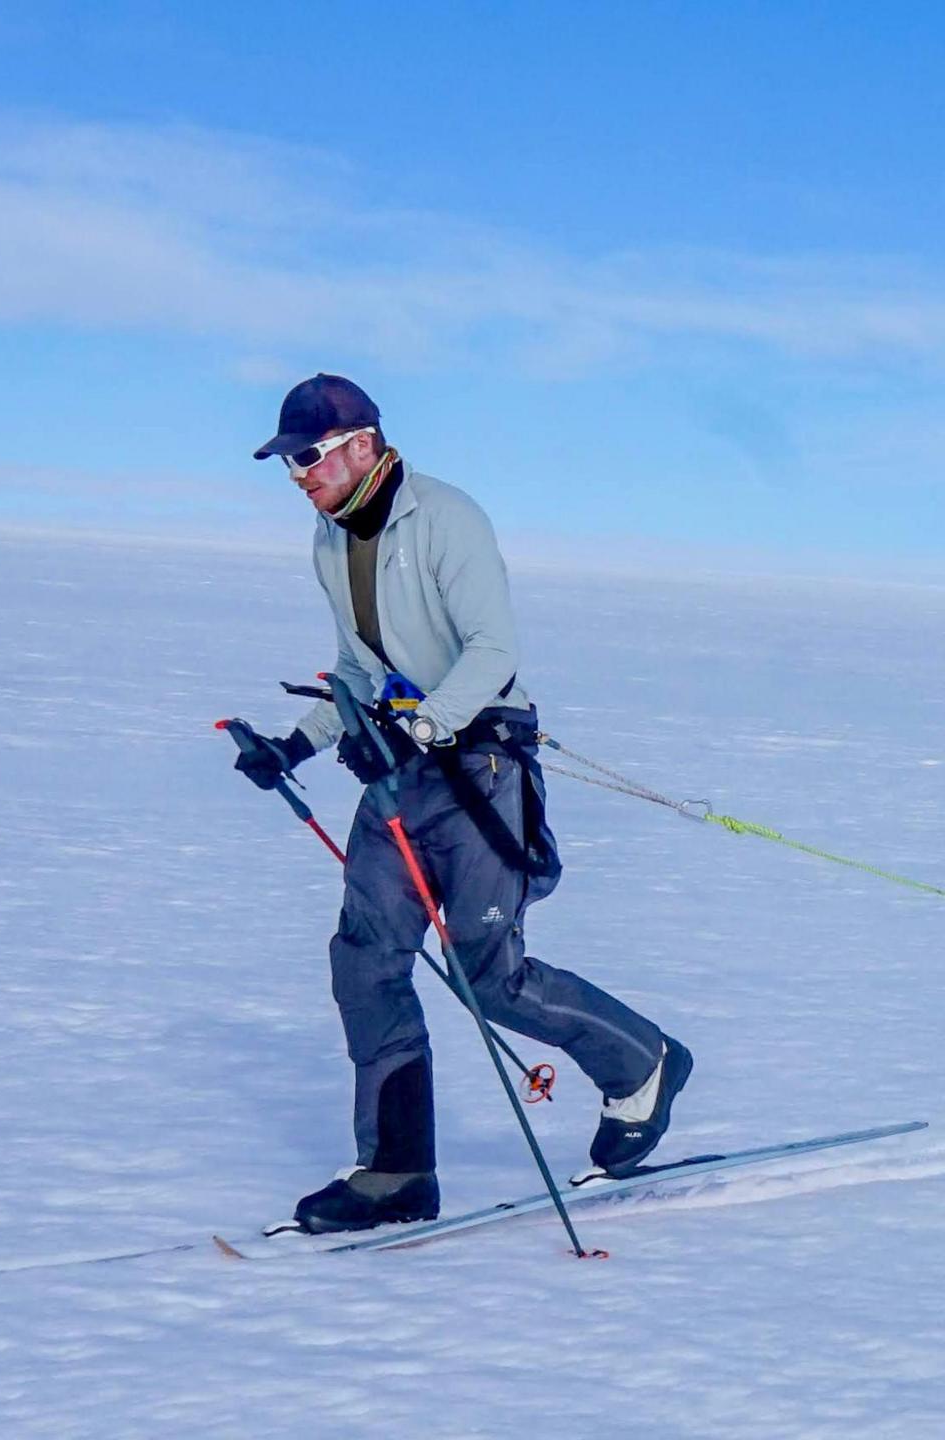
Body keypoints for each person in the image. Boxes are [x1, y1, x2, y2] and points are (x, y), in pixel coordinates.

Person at [234, 374, 692, 1234]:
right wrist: (296, 742)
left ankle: (645, 1063)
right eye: (287, 462)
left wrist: (422, 728)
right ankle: (396, 1171)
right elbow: (359, 675)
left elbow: (492, 651)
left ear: (361, 444)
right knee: (365, 963)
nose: (297, 476)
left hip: (480, 771)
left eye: (307, 456)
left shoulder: (447, 519)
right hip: (401, 777)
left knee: (492, 978)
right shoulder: (332, 543)